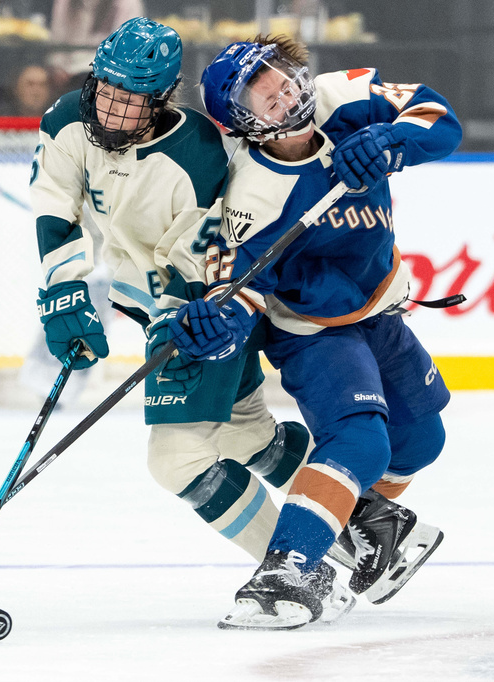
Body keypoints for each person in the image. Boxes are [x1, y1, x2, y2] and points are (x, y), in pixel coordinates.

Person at [169, 35, 461, 629]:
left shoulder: (343, 96)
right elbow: (239, 296)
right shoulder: (252, 194)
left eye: (278, 76)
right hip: (310, 331)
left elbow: (440, 118)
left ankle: (366, 523)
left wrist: (389, 138)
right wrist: (213, 324)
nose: (280, 92)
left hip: (378, 310)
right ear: (244, 124)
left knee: (421, 442)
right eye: (261, 95)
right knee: (360, 440)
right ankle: (285, 572)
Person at [30, 18, 319, 582]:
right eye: (106, 92)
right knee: (247, 434)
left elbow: (198, 263)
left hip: (205, 316)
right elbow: (54, 200)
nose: (111, 112)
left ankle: (300, 570)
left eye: (130, 101)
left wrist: (173, 319)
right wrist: (63, 292)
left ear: (161, 101)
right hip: (155, 309)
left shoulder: (198, 155)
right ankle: (369, 527)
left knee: (177, 460)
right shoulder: (67, 119)